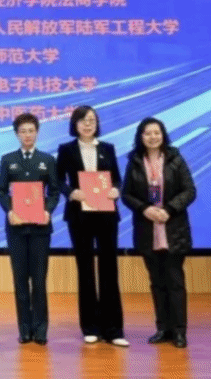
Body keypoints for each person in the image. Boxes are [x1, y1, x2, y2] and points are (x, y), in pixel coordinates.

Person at [55, 105, 128, 346]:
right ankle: (90, 326)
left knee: (109, 268)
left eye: (92, 120)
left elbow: (117, 178)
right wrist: (70, 192)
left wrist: (116, 189)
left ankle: (114, 329)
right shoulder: (66, 149)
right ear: (75, 124)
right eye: (83, 120)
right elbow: (58, 179)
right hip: (79, 216)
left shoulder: (107, 148)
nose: (88, 124)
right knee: (85, 269)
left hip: (106, 214)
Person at [121, 117, 196, 349]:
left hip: (173, 228)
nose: (153, 137)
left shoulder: (175, 158)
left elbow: (189, 190)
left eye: (156, 133)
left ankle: (180, 331)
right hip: (147, 229)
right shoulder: (134, 161)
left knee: (175, 282)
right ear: (140, 137)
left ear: (163, 135)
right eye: (148, 133)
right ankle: (163, 328)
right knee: (157, 282)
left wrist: (169, 209)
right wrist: (145, 209)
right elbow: (126, 194)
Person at [0, 112, 60, 346]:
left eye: (31, 131)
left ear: (37, 132)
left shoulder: (47, 160)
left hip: (40, 228)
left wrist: (48, 210)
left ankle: (40, 329)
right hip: (16, 228)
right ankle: (24, 329)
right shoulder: (8, 160)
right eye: (23, 131)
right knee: (20, 281)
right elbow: (1, 190)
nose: (27, 135)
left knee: (39, 281)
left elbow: (54, 191)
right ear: (16, 134)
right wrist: (9, 210)